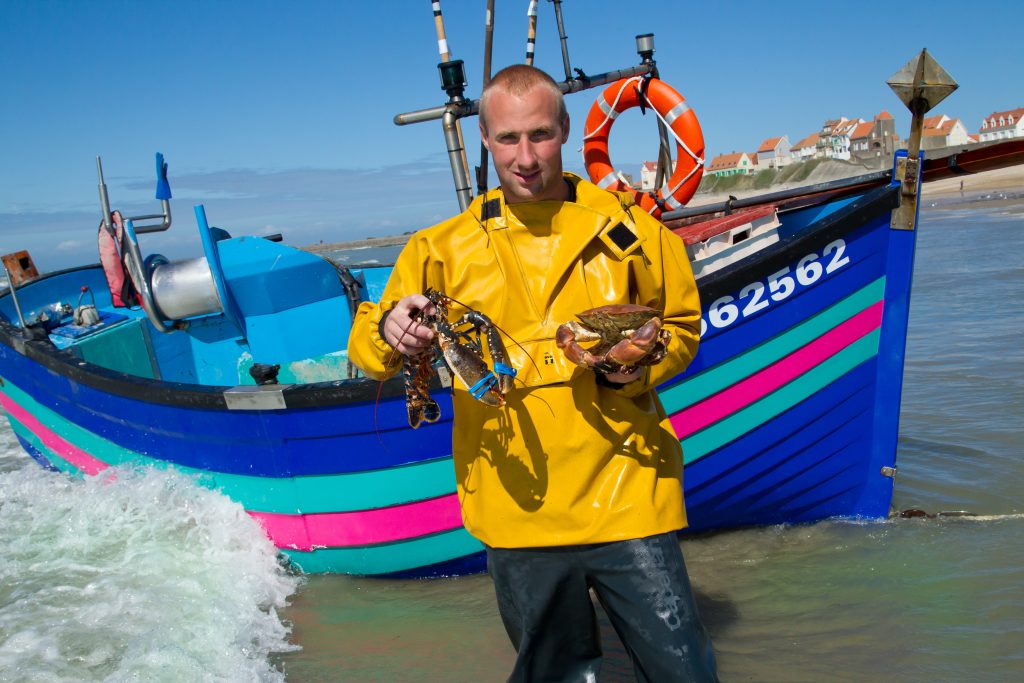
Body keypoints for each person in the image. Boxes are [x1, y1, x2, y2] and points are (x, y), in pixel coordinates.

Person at [348, 64, 718, 682]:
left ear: (567, 130)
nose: (525, 157)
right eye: (508, 139)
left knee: (685, 670)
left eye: (540, 135)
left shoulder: (633, 234)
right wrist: (391, 330)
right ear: (486, 141)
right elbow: (372, 343)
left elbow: (680, 329)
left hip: (628, 490)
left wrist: (633, 369)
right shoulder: (440, 249)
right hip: (514, 503)